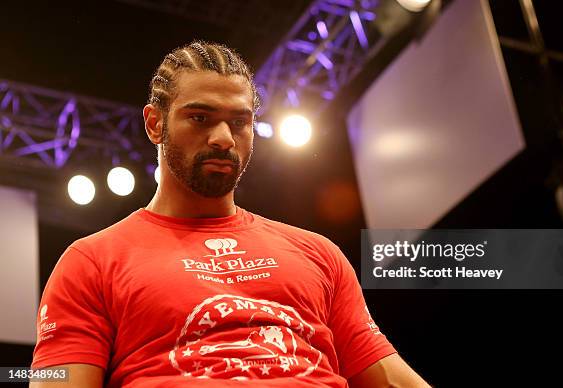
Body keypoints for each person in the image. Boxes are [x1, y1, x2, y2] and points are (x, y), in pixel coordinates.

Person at [30, 40, 430, 388]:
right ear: (155, 124)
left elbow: (389, 378)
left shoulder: (318, 253)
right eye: (200, 118)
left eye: (239, 121)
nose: (223, 138)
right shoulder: (91, 262)